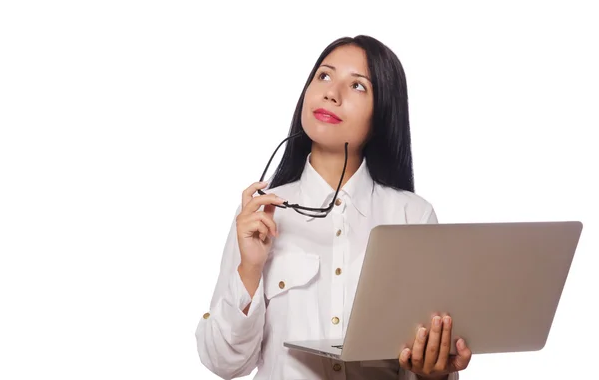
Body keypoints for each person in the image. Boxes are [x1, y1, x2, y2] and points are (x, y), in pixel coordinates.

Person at [195, 35, 472, 380]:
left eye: (357, 85)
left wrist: (435, 371)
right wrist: (250, 269)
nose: (331, 93)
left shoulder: (412, 216)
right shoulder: (263, 215)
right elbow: (223, 363)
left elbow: (427, 359)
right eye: (324, 76)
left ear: (382, 111)